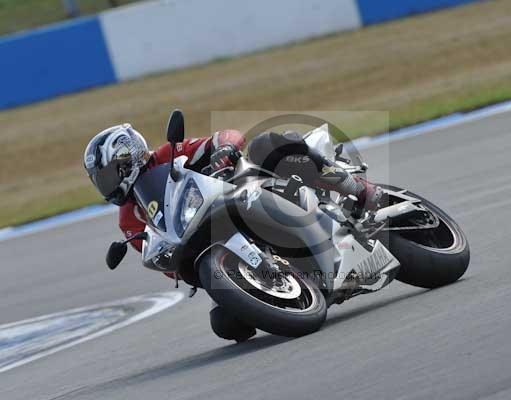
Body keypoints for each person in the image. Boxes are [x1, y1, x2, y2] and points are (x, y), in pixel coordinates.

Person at [83, 122, 382, 341]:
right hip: (208, 242)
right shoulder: (129, 219)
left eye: (108, 175)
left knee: (267, 144)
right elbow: (160, 254)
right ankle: (290, 285)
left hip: (244, 192)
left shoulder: (168, 155)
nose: (106, 185)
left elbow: (225, 136)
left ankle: (357, 189)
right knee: (227, 325)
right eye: (100, 179)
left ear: (129, 158)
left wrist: (225, 149)